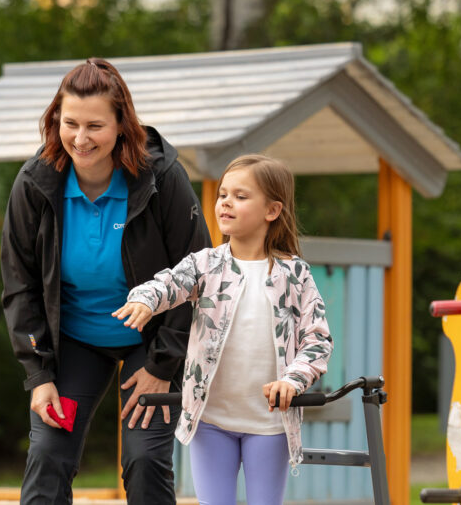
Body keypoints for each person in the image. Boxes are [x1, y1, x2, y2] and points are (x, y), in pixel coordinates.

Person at [1, 57, 212, 505]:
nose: (81, 138)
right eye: (70, 123)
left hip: (151, 342)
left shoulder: (162, 178)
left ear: (121, 124)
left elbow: (198, 273)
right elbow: (20, 284)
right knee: (48, 454)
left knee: (144, 459)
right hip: (74, 342)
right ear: (56, 121)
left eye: (95, 125)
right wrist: (39, 374)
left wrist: (163, 366)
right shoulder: (35, 183)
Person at [114, 154, 334, 505]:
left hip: (269, 425)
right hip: (211, 422)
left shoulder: (296, 275)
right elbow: (169, 283)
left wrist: (293, 380)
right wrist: (144, 299)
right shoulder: (205, 264)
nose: (226, 203)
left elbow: (317, 340)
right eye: (223, 194)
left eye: (240, 196)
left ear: (272, 210)